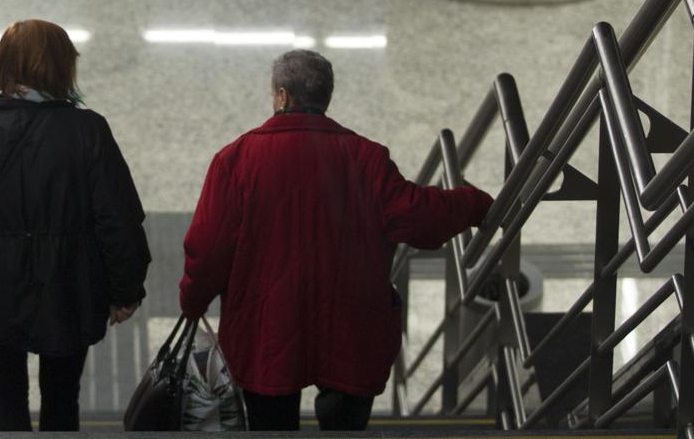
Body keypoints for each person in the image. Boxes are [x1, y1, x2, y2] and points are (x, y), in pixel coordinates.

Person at [178, 49, 493, 431]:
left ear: (281, 96)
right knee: (345, 422)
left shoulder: (237, 159)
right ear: (325, 97)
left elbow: (208, 249)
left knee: (270, 421)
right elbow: (421, 217)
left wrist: (193, 301)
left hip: (266, 330)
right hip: (350, 329)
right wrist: (474, 203)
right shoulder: (367, 158)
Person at [0, 19, 151, 432]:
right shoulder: (89, 131)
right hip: (70, 289)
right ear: (63, 68)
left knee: (7, 399)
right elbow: (118, 221)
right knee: (63, 398)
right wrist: (125, 290)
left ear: (4, 65)